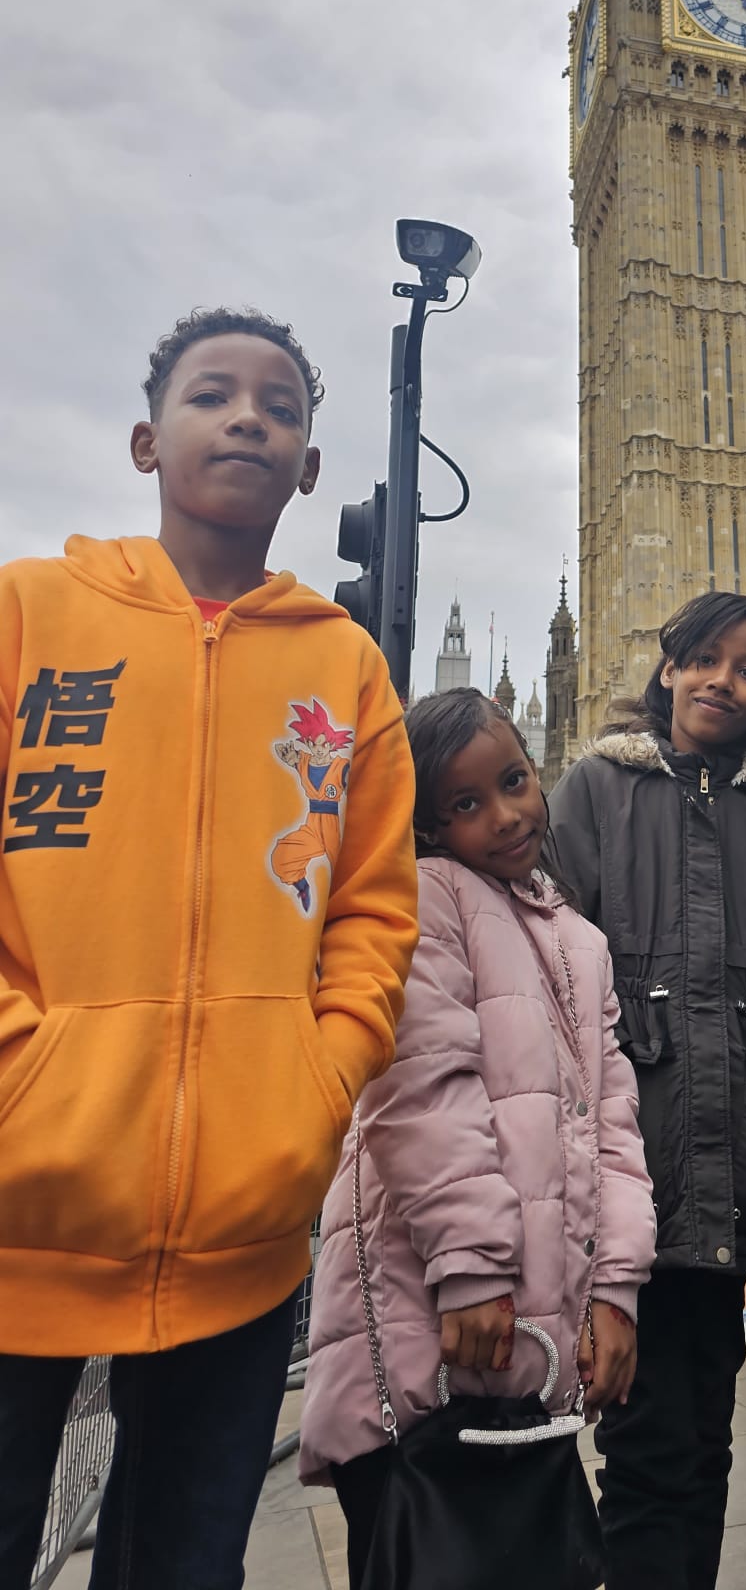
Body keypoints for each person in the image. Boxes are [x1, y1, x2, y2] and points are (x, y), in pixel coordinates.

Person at [0, 308, 420, 1590]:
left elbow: (372, 909)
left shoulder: (345, 666)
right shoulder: (31, 612)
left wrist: (316, 1080)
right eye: (212, 394)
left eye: (281, 406)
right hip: (18, 1213)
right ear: (145, 438)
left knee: (183, 1566)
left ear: (307, 467)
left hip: (242, 1233)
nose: (248, 415)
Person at [299, 688, 655, 1586]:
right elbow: (418, 1091)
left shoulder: (578, 939)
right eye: (463, 804)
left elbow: (613, 1122)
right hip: (425, 1314)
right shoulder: (421, 898)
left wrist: (616, 1288)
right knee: (420, 1547)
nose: (504, 816)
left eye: (514, 782)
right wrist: (470, 1266)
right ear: (421, 821)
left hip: (529, 1345)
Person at [548, 590, 746, 1590]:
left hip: (722, 1184)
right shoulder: (593, 793)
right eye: (707, 657)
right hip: (608, 1193)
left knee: (694, 1450)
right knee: (624, 1458)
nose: (725, 679)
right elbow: (546, 966)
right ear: (668, 666)